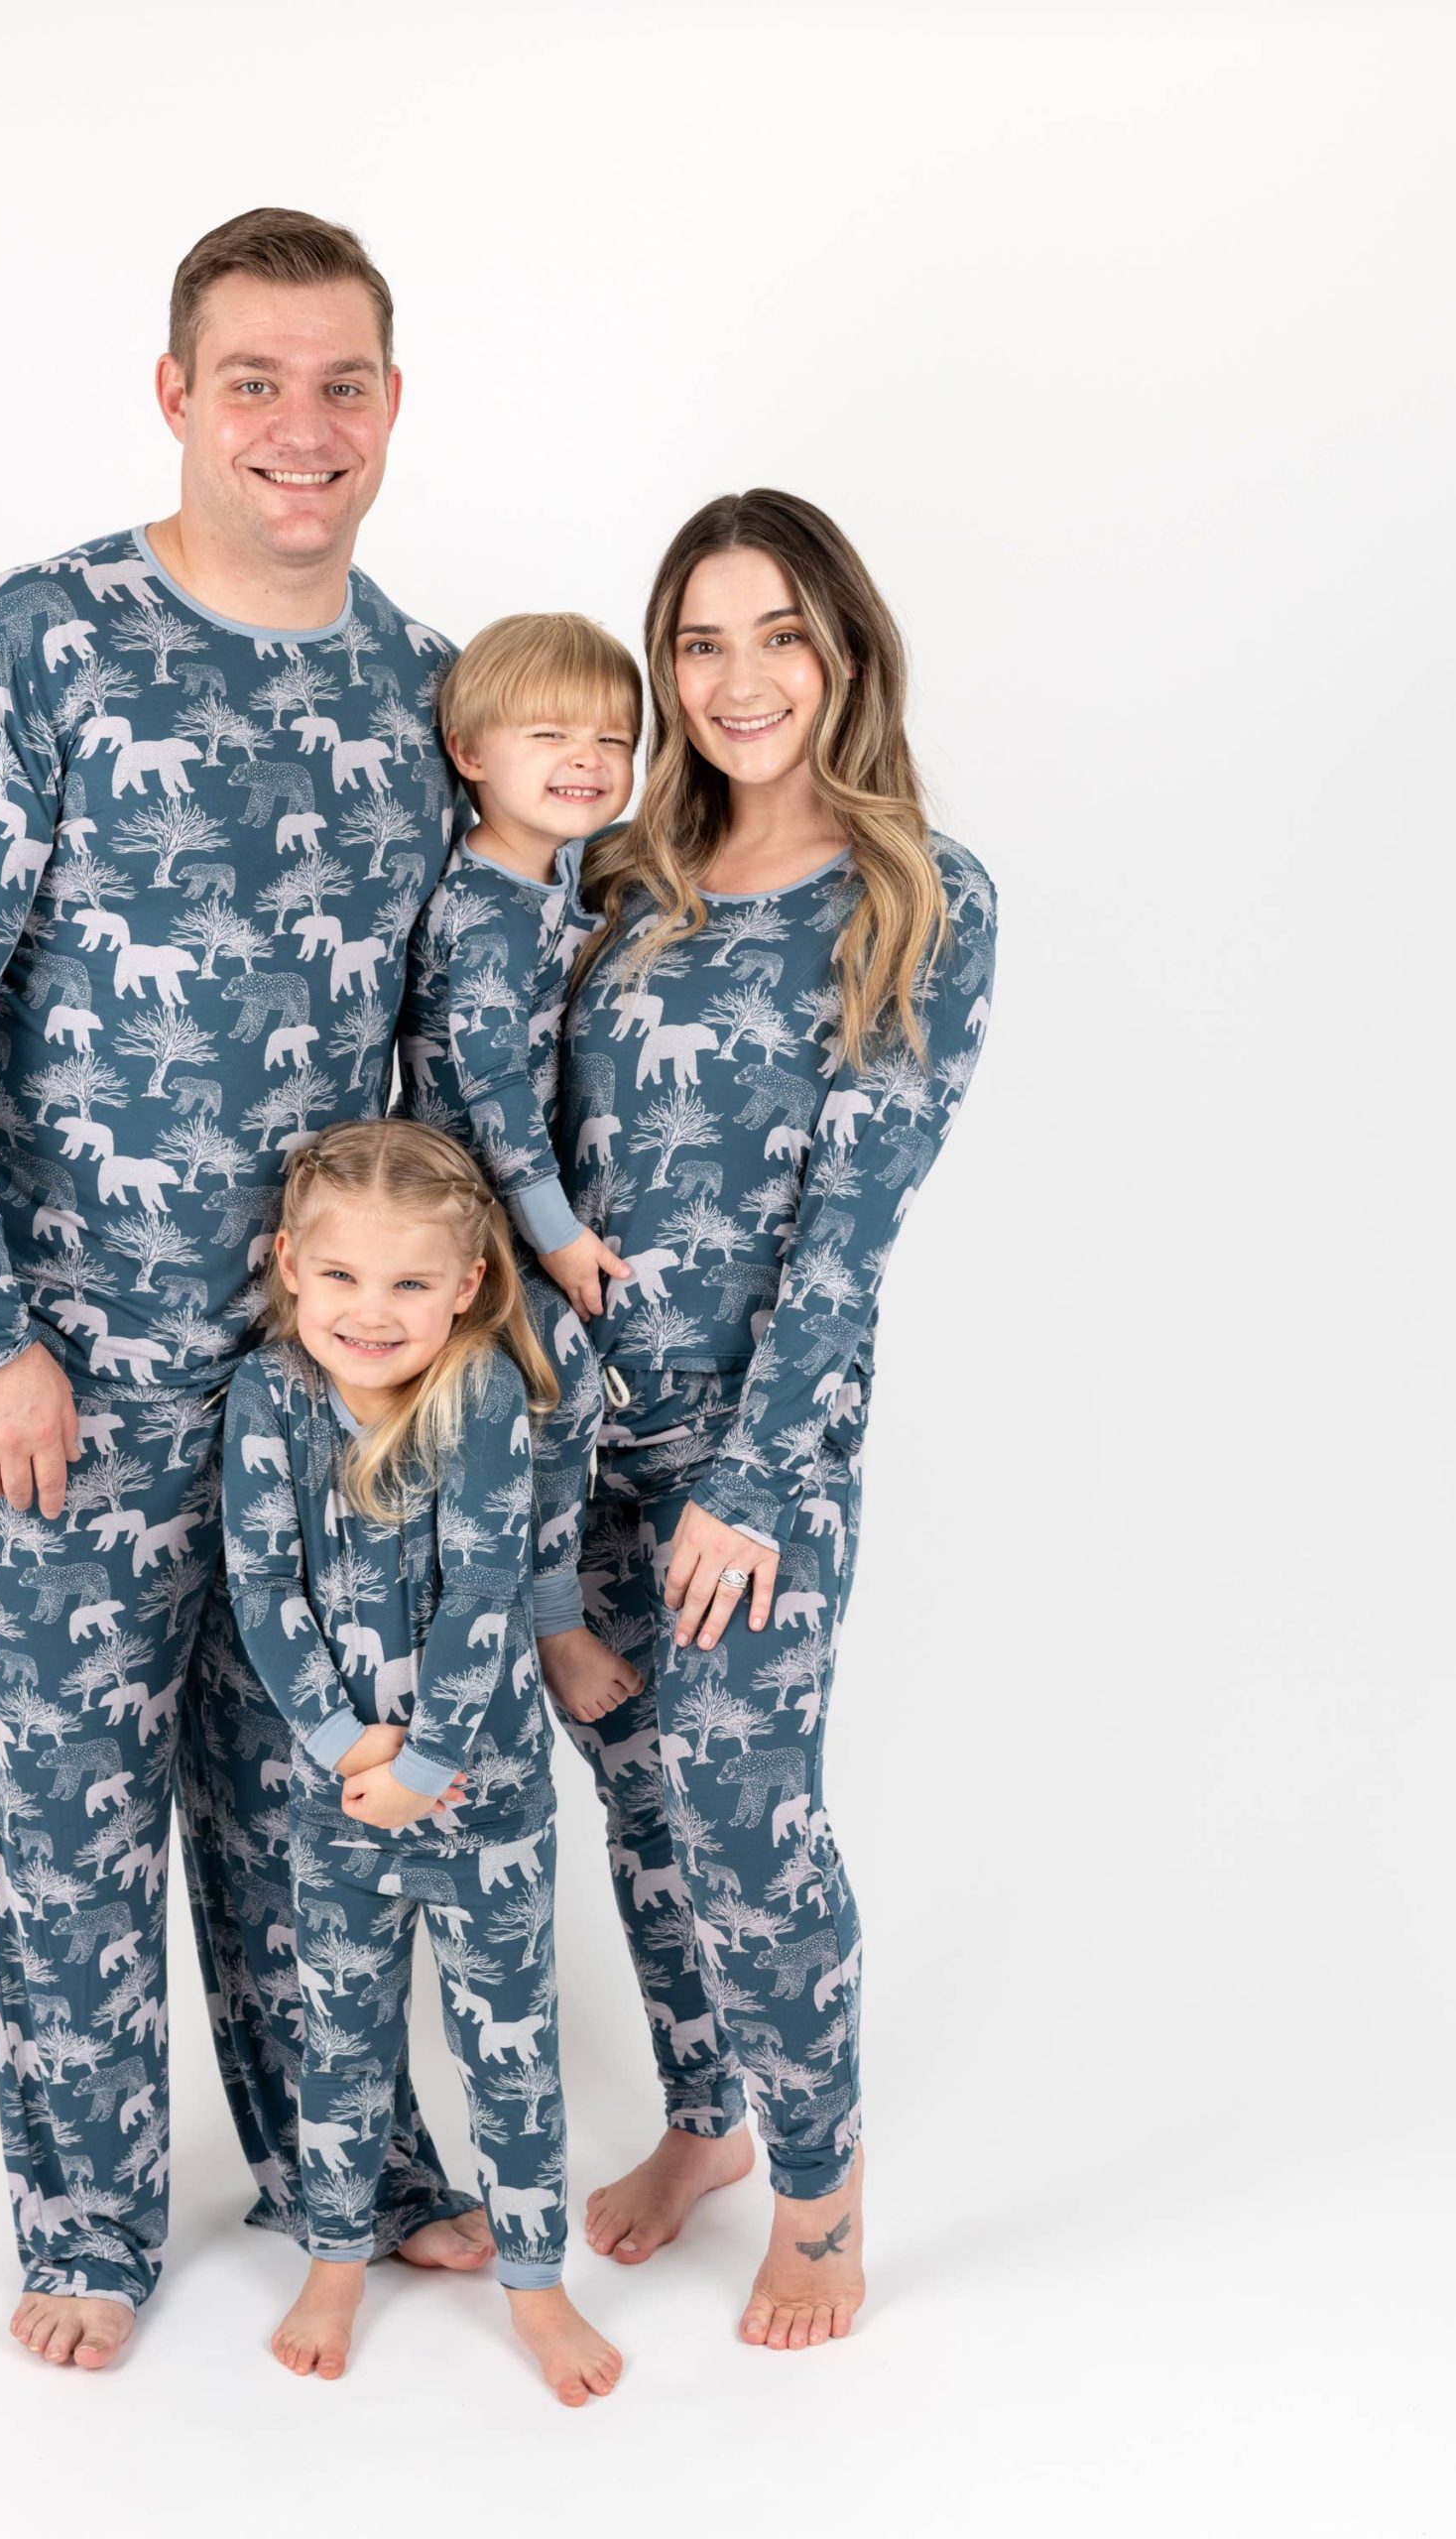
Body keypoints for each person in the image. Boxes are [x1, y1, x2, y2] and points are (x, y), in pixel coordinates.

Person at [0, 208, 502, 2372]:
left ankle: (348, 2166)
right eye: (253, 383)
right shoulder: (29, 647)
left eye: (339, 385)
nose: (299, 428)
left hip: (335, 1373)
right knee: (68, 1798)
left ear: (389, 405)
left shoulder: (423, 690)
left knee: (318, 1780)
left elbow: (450, 1040)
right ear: (175, 396)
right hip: (76, 1367)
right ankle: (85, 2221)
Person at [552, 489, 999, 2350]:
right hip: (572, 1451)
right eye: (699, 642)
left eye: (779, 636)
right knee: (636, 1801)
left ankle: (817, 2196)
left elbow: (847, 1229)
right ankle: (704, 2119)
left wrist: (746, 1487)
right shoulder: (608, 879)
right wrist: (526, 1508)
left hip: (760, 1463)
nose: (738, 680)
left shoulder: (917, 899)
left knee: (742, 1817)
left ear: (844, 653)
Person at [221, 1121, 623, 2406]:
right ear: (290, 1265)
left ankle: (536, 2285)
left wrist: (430, 1754)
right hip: (338, 1805)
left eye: (408, 1282)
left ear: (465, 1284)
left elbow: (482, 1586)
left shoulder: (481, 1392)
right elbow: (260, 1586)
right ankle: (335, 2263)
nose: (371, 1310)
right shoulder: (268, 1399)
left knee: (510, 2047)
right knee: (339, 2043)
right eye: (341, 1275)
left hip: (484, 1806)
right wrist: (349, 1749)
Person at [395, 611, 645, 1728]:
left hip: (513, 1196)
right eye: (549, 735)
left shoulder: (557, 869)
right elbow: (492, 1086)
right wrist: (554, 1233)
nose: (587, 759)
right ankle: (552, 1621)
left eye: (613, 739)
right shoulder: (486, 906)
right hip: (477, 1211)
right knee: (563, 1384)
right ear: (469, 753)